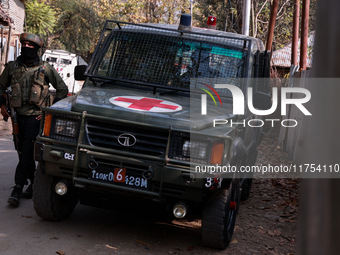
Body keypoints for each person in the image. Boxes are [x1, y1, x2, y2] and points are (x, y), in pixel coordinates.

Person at [0, 33, 68, 207]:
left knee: (27, 149)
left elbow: (62, 90)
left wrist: (48, 112)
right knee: (23, 152)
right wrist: (2, 106)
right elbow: (0, 86)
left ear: (37, 49)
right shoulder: (13, 67)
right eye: (24, 45)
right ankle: (33, 182)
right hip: (17, 118)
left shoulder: (45, 68)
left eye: (31, 46)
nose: (27, 48)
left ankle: (17, 187)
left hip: (35, 118)